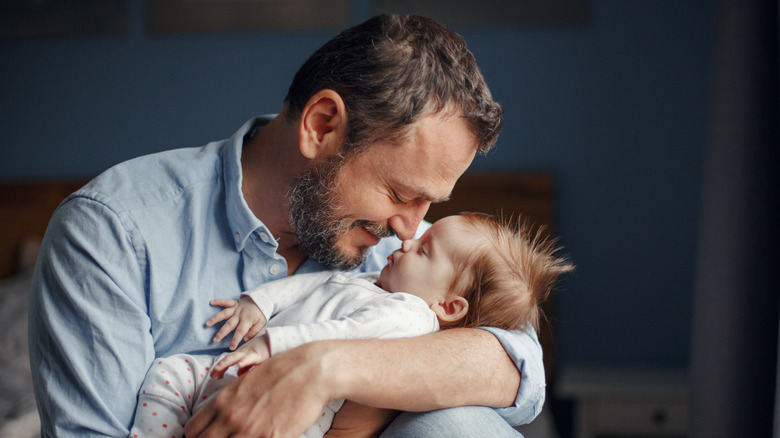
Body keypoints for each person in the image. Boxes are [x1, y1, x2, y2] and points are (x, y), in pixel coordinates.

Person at [29, 14, 546, 437]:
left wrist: (323, 370)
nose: (411, 229)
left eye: (427, 204)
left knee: (462, 426)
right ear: (322, 126)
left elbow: (516, 364)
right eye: (400, 194)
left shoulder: (410, 257)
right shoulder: (112, 233)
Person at [129, 213, 574, 438]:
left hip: (291, 403)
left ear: (450, 306)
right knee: (167, 372)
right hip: (234, 370)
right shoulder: (373, 279)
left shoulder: (408, 315)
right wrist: (259, 303)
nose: (407, 233)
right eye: (401, 191)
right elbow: (304, 288)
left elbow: (331, 339)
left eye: (423, 248)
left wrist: (272, 344)